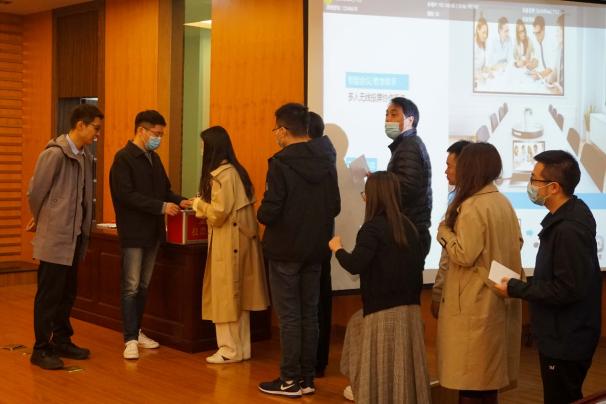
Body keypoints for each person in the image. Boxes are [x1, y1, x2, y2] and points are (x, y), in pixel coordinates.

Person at [495, 150, 602, 404]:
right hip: (564, 334)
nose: (530, 185)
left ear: (554, 187)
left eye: (534, 179)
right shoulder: (567, 216)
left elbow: (566, 289)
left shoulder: (568, 229)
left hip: (566, 339)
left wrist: (516, 288)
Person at [257, 103, 340, 398]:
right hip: (316, 249)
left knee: (290, 316)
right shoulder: (327, 159)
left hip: (285, 250)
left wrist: (262, 212)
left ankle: (289, 379)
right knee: (309, 314)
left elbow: (270, 211)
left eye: (275, 130)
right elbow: (334, 206)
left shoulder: (281, 163)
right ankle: (306, 378)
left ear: (282, 131)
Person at [329, 171, 431, 403]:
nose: (364, 198)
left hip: (382, 310)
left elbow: (355, 265)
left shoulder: (372, 228)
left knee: (375, 357)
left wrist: (338, 248)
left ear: (373, 196)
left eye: (365, 193)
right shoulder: (409, 227)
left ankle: (367, 390)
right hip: (412, 309)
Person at [436, 142, 523, 403]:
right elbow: (517, 242)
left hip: (474, 302)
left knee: (471, 380)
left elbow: (464, 254)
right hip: (497, 295)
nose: (450, 170)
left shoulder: (473, 205)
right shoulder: (503, 202)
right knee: (487, 381)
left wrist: (444, 232)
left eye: (457, 165)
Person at [109, 110, 191, 360]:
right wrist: (161, 207)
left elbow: (165, 190)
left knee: (143, 286)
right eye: (156, 134)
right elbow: (126, 196)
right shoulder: (123, 158)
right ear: (141, 131)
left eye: (162, 135)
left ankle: (137, 331)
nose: (159, 139)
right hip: (133, 232)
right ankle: (129, 339)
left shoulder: (154, 159)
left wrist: (181, 200)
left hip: (154, 233)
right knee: (131, 286)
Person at [27, 104, 104, 370]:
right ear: (80, 125)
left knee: (67, 294)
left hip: (75, 237)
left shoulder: (84, 156)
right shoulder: (55, 154)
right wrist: (42, 219)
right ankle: (41, 348)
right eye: (95, 128)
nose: (97, 134)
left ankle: (61, 340)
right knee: (49, 295)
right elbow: (36, 192)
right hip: (55, 236)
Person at [191, 126, 269, 364]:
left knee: (225, 297)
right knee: (238, 298)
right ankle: (241, 348)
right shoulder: (237, 171)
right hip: (242, 242)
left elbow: (218, 214)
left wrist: (198, 204)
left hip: (228, 243)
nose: (201, 149)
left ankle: (228, 350)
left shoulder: (221, 176)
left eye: (203, 145)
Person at [308, 111, 337, 377]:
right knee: (321, 301)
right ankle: (318, 362)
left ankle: (308, 363)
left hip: (305, 245)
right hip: (324, 241)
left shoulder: (301, 161)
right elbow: (335, 205)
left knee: (308, 305)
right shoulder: (329, 158)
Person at [385, 97, 432, 259]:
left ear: (410, 120)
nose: (388, 119)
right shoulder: (406, 144)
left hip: (409, 230)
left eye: (394, 114)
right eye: (386, 115)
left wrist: (380, 192)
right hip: (409, 227)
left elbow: (407, 187)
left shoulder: (409, 146)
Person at [431, 140, 471, 319]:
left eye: (449, 166)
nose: (445, 171)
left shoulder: (465, 206)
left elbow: (450, 256)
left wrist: (438, 292)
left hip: (458, 297)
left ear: (464, 168)